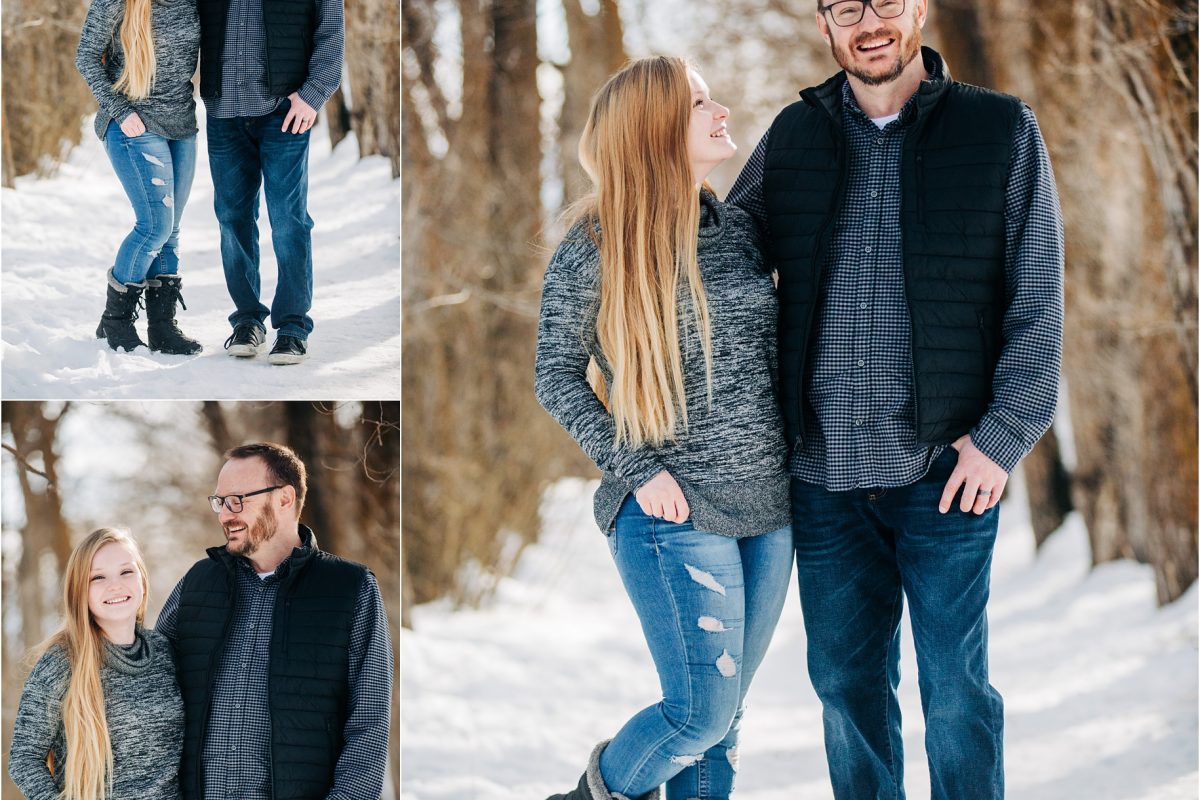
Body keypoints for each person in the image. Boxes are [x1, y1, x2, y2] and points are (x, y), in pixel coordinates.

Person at [727, 0, 1064, 797]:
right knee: (847, 691)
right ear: (825, 25)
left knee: (955, 695)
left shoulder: (1001, 131)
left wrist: (1005, 433)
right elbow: (723, 261)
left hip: (946, 470)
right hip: (822, 477)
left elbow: (1038, 298)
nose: (868, 22)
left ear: (918, 11)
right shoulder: (794, 136)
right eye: (847, 7)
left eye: (886, 2)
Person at [535, 56, 793, 800]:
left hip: (769, 509)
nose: (720, 111)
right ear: (654, 129)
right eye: (699, 103)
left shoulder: (740, 229)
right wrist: (639, 470)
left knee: (726, 723)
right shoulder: (594, 246)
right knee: (697, 714)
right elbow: (555, 374)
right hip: (670, 511)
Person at [155, 442, 392, 800]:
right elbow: (148, 687)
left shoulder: (351, 589)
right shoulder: (198, 583)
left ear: (284, 498)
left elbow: (369, 723)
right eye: (219, 502)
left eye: (237, 500)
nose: (224, 515)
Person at [200, 0, 344, 365]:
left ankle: (293, 327)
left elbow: (330, 30)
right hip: (224, 110)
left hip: (285, 109)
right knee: (232, 219)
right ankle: (248, 320)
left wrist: (313, 95)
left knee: (288, 220)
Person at [8, 528, 184, 800]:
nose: (116, 585)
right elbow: (23, 759)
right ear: (80, 591)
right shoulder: (62, 662)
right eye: (98, 577)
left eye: (127, 572)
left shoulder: (164, 650)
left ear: (142, 580)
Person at [76, 0, 202, 356]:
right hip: (134, 124)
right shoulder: (117, 2)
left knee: (172, 229)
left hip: (182, 124)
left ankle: (163, 328)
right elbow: (86, 56)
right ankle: (115, 321)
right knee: (154, 226)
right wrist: (119, 111)